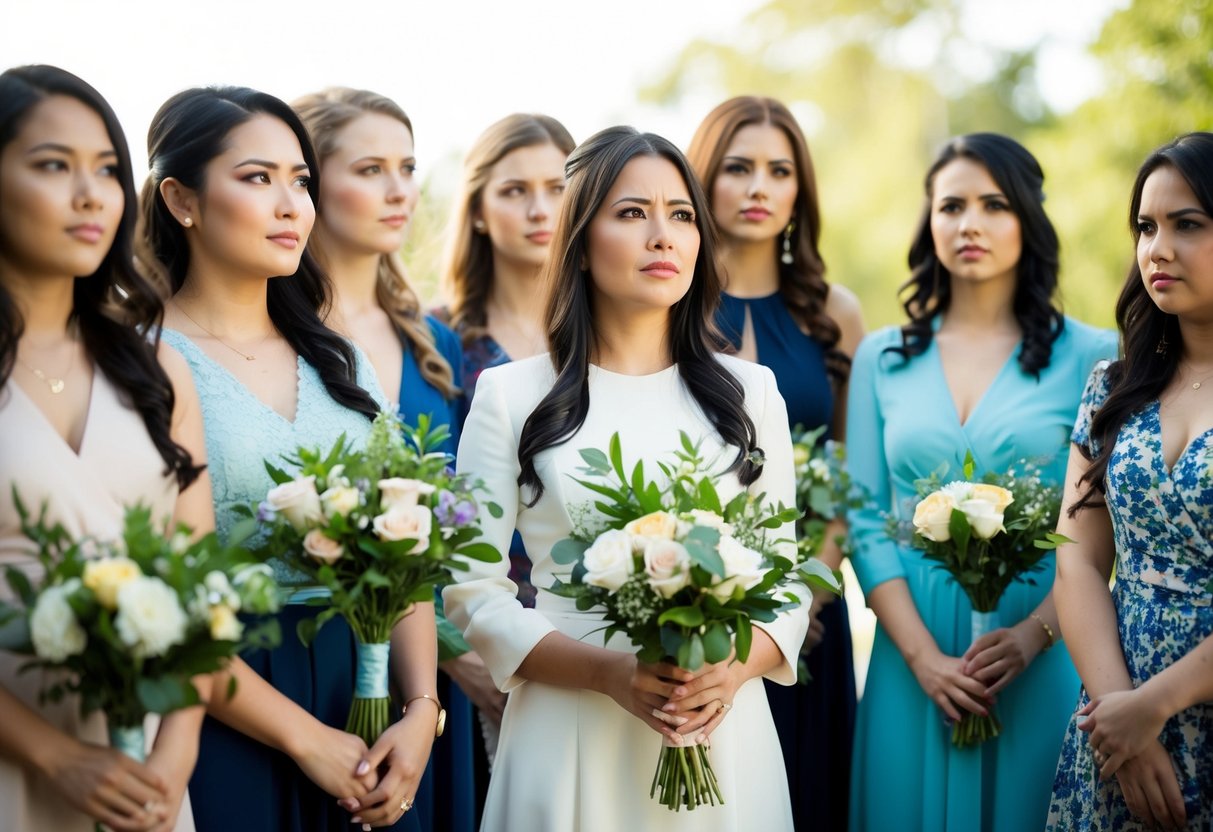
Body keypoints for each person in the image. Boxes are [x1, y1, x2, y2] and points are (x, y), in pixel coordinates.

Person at [444, 125, 807, 831]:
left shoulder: (750, 392)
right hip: (566, 725)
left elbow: (786, 579)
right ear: (579, 242)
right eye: (631, 213)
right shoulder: (509, 395)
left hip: (720, 727)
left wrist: (729, 668)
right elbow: (471, 590)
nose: (662, 236)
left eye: (680, 216)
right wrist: (606, 673)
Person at [140, 85, 439, 832]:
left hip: (367, 695)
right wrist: (303, 739)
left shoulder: (341, 359)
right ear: (181, 199)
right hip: (225, 702)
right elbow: (177, 599)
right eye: (256, 178)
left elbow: (404, 549)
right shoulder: (142, 364)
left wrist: (420, 709)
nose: (290, 205)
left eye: (300, 181)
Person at [846, 133, 1116, 831]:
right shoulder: (880, 356)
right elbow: (865, 518)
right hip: (909, 658)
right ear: (927, 221)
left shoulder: (1092, 355)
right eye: (950, 206)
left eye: (993, 205)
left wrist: (1034, 635)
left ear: (1027, 218)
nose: (968, 223)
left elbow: (1099, 529)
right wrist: (924, 659)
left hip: (1038, 651)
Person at [0, 64, 212, 832]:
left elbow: (202, 588)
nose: (92, 194)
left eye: (109, 170)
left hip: (145, 770)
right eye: (54, 165)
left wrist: (175, 752)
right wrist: (56, 758)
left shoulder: (158, 371)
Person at [292, 87, 468, 832]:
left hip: (430, 674)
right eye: (370, 169)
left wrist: (441, 681)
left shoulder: (436, 344)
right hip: (312, 660)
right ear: (308, 181)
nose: (400, 190)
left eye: (407, 167)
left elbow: (452, 528)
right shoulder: (277, 334)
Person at [687, 95, 864, 831]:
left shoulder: (837, 312)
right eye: (737, 168)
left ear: (799, 192)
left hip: (810, 621)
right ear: (702, 180)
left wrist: (809, 595)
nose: (759, 187)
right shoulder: (669, 306)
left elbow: (849, 471)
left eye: (778, 170)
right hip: (691, 608)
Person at [1047, 132, 1213, 831]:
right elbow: (1078, 560)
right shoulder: (1112, 387)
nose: (1156, 249)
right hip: (1110, 718)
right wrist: (1119, 710)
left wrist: (1158, 705)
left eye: (1187, 225)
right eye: (1145, 227)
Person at [432, 113, 574, 794]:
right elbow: (418, 509)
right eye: (515, 190)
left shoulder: (610, 339)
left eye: (556, 186)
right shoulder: (436, 343)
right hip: (474, 645)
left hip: (596, 630)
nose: (540, 208)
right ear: (480, 211)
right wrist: (463, 655)